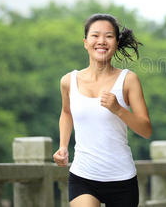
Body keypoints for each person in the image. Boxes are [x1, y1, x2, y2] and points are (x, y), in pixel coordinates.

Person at [53, 13, 152, 207]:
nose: (101, 41)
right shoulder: (68, 81)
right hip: (83, 175)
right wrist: (63, 146)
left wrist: (118, 109)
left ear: (116, 42)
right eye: (95, 35)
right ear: (85, 42)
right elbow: (66, 113)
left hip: (122, 179)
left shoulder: (128, 80)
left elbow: (146, 130)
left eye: (108, 36)